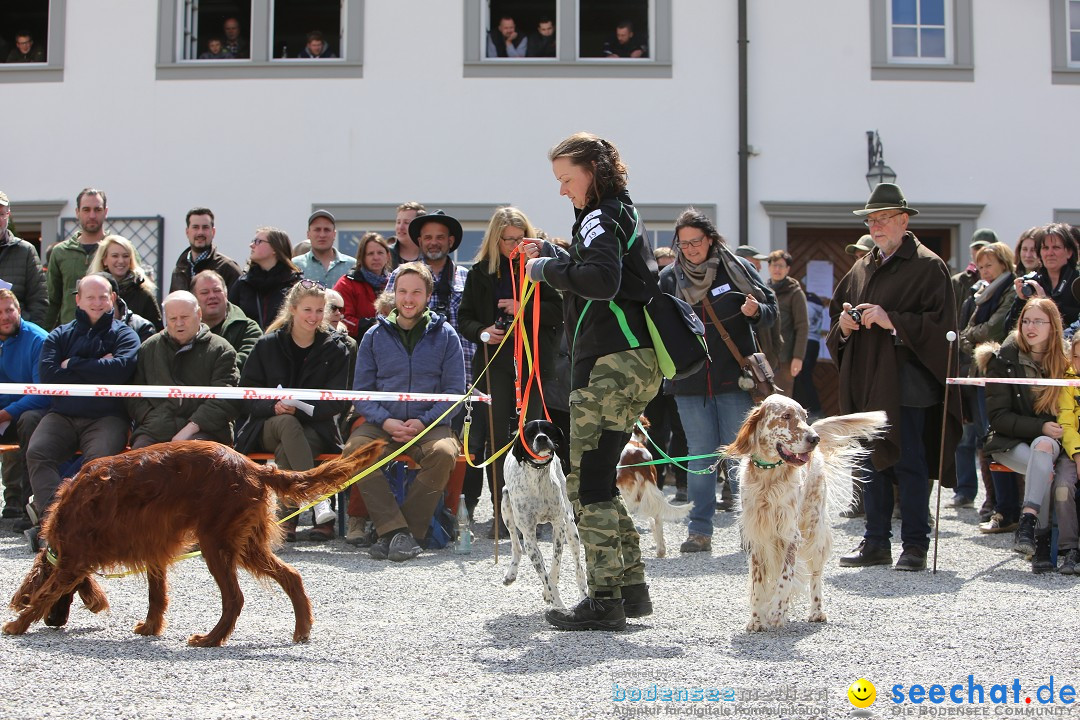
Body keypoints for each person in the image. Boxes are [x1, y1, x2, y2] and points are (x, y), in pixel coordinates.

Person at [520, 132, 663, 631]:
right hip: (631, 363)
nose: (562, 190)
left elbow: (602, 281)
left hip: (610, 363)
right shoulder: (616, 212)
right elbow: (604, 269)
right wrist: (558, 255)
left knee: (587, 484)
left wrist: (544, 267)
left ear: (593, 172)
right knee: (599, 478)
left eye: (566, 179)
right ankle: (628, 589)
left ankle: (606, 600)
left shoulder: (601, 214)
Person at [829, 183, 960, 572]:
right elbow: (838, 315)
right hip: (868, 381)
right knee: (871, 463)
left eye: (884, 218)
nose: (877, 225)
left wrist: (893, 321)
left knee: (910, 463)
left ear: (904, 220)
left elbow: (944, 328)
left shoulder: (928, 265)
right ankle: (876, 542)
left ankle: (915, 545)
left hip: (909, 384)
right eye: (871, 219)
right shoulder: (862, 265)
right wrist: (846, 326)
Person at [658, 209, 777, 553]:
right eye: (684, 243)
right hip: (688, 382)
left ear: (710, 239)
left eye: (696, 241)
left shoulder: (738, 268)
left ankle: (751, 530)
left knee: (742, 458)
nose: (691, 248)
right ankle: (699, 532)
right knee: (700, 458)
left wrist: (757, 313)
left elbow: (771, 311)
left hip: (734, 380)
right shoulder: (668, 278)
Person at [344, 262, 464, 560]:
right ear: (393, 295)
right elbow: (361, 393)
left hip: (430, 423)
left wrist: (422, 422)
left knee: (445, 453)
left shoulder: (447, 336)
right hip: (383, 421)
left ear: (428, 296)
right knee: (355, 451)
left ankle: (399, 533)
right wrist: (386, 421)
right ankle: (396, 531)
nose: (408, 299)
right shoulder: (373, 335)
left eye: (416, 292)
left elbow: (453, 394)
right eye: (402, 292)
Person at [457, 207, 562, 530]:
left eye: (520, 238)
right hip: (495, 364)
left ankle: (536, 510)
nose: (514, 245)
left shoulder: (540, 270)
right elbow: (465, 318)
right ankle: (502, 511)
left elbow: (558, 313)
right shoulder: (479, 273)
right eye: (508, 240)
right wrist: (483, 332)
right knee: (495, 436)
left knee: (533, 435)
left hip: (533, 364)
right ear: (495, 239)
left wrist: (523, 307)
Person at [26, 274, 140, 546]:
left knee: (98, 465)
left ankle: (89, 529)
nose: (98, 302)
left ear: (112, 298)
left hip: (107, 417)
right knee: (37, 452)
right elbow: (49, 375)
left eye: (103, 296)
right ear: (78, 300)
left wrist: (71, 364)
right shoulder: (59, 334)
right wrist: (96, 365)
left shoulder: (126, 334)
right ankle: (55, 524)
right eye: (91, 297)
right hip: (62, 414)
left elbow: (120, 371)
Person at [234, 281, 352, 542]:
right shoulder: (267, 345)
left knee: (290, 442)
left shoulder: (336, 347)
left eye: (320, 311)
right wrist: (273, 406)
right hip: (266, 424)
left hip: (315, 427)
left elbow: (336, 402)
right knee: (286, 423)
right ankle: (316, 497)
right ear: (293, 309)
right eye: (308, 310)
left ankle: (286, 521)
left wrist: (298, 408)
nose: (314, 317)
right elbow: (246, 395)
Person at [979, 299, 1069, 573]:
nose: (1030, 327)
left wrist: (1045, 432)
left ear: (1052, 327)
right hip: (1009, 441)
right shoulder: (1003, 360)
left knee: (1043, 451)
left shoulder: (1064, 362)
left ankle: (1030, 529)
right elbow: (998, 418)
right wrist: (1039, 427)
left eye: (1037, 321)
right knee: (1042, 468)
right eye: (1026, 321)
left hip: (1051, 443)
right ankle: (1039, 541)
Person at [127, 291, 238, 449]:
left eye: (184, 317)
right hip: (156, 429)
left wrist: (192, 427)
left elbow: (226, 399)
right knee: (139, 463)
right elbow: (133, 393)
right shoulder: (149, 347)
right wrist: (152, 417)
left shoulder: (221, 349)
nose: (179, 323)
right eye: (173, 318)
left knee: (193, 459)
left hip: (207, 431)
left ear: (199, 314)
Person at [957, 242, 1016, 514]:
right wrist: (973, 338)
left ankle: (1006, 503)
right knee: (982, 436)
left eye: (989, 264)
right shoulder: (980, 293)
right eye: (980, 266)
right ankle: (991, 499)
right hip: (978, 373)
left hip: (1002, 373)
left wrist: (972, 337)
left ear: (1004, 263)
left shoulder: (1011, 289)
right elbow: (966, 331)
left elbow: (996, 327)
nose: (984, 270)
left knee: (996, 436)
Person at [387, 210, 474, 385]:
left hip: (462, 374)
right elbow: (385, 321)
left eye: (440, 237)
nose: (433, 242)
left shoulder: (467, 277)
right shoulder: (401, 274)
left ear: (450, 241)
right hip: (413, 375)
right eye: (428, 237)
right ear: (419, 241)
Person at [0, 290, 49, 526]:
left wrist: (5, 414)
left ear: (19, 310)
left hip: (26, 413)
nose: (5, 316)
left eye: (9, 310)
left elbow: (42, 394)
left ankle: (32, 504)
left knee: (31, 419)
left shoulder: (38, 340)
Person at [46, 188, 108, 329]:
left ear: (105, 212)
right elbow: (52, 300)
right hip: (70, 334)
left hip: (110, 334)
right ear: (77, 212)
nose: (92, 215)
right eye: (86, 210)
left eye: (97, 209)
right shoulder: (60, 252)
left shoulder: (118, 251)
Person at [1007, 223, 1080, 330]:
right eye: (1045, 248)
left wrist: (1045, 303)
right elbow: (1009, 329)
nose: (1050, 253)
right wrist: (1021, 300)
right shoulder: (1033, 282)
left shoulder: (1077, 282)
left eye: (1056, 247)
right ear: (1039, 253)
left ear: (1069, 252)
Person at [229, 227, 303, 330]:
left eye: (258, 241)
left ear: (275, 248)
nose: (251, 245)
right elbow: (229, 317)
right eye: (253, 241)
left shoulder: (294, 284)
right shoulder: (243, 283)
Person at [191, 270, 261, 372]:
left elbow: (247, 362)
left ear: (226, 294)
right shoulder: (182, 328)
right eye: (204, 292)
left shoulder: (248, 329)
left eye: (217, 290)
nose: (212, 296)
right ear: (194, 299)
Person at [89, 234, 162, 330]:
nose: (121, 261)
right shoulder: (90, 291)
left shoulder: (143, 295)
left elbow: (157, 333)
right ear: (104, 260)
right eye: (115, 256)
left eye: (126, 256)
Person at [1053, 334, 1080, 574]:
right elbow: (1066, 422)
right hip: (1072, 450)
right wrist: (1078, 454)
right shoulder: (1067, 382)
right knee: (1062, 487)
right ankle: (1069, 548)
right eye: (1077, 357)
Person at [0, 190, 48, 326]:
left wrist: (27, 336)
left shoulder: (25, 251)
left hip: (16, 336)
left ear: (8, 215)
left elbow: (39, 300)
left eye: (1, 214)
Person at [334, 231, 393, 340]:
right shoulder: (346, 283)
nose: (376, 257)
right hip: (358, 346)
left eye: (380, 253)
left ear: (388, 256)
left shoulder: (395, 282)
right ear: (362, 257)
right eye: (370, 253)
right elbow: (341, 318)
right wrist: (375, 324)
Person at [169, 207, 243, 293]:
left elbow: (238, 305)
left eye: (205, 227)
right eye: (195, 227)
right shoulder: (179, 270)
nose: (200, 232)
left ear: (213, 232)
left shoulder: (228, 268)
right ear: (187, 232)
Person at [766, 249, 808, 397]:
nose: (777, 269)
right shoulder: (764, 290)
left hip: (785, 357)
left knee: (782, 400)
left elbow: (802, 326)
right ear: (769, 267)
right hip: (765, 355)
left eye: (781, 266)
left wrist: (798, 357)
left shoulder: (795, 293)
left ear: (788, 269)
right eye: (774, 265)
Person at [294, 210, 352, 288]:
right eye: (317, 230)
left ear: (334, 234)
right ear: (308, 234)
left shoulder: (351, 266)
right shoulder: (295, 266)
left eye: (327, 230)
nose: (322, 235)